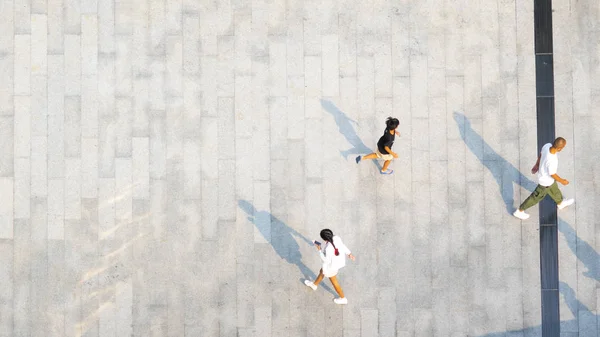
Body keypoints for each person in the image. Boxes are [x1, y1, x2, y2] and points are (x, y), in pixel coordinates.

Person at [513, 137, 575, 220]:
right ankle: (519, 211)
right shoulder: (552, 160)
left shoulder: (547, 145)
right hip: (545, 182)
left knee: (554, 189)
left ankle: (560, 203)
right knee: (535, 197)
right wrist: (562, 181)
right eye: (563, 147)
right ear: (559, 148)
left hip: (549, 180)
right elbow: (552, 174)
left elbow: (541, 155)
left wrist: (537, 165)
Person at [304, 229, 355, 304]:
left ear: (324, 239)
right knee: (322, 271)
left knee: (334, 282)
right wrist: (349, 253)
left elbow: (325, 260)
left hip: (331, 267)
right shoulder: (337, 238)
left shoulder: (328, 249)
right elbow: (343, 246)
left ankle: (343, 298)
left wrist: (320, 250)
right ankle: (314, 285)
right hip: (336, 263)